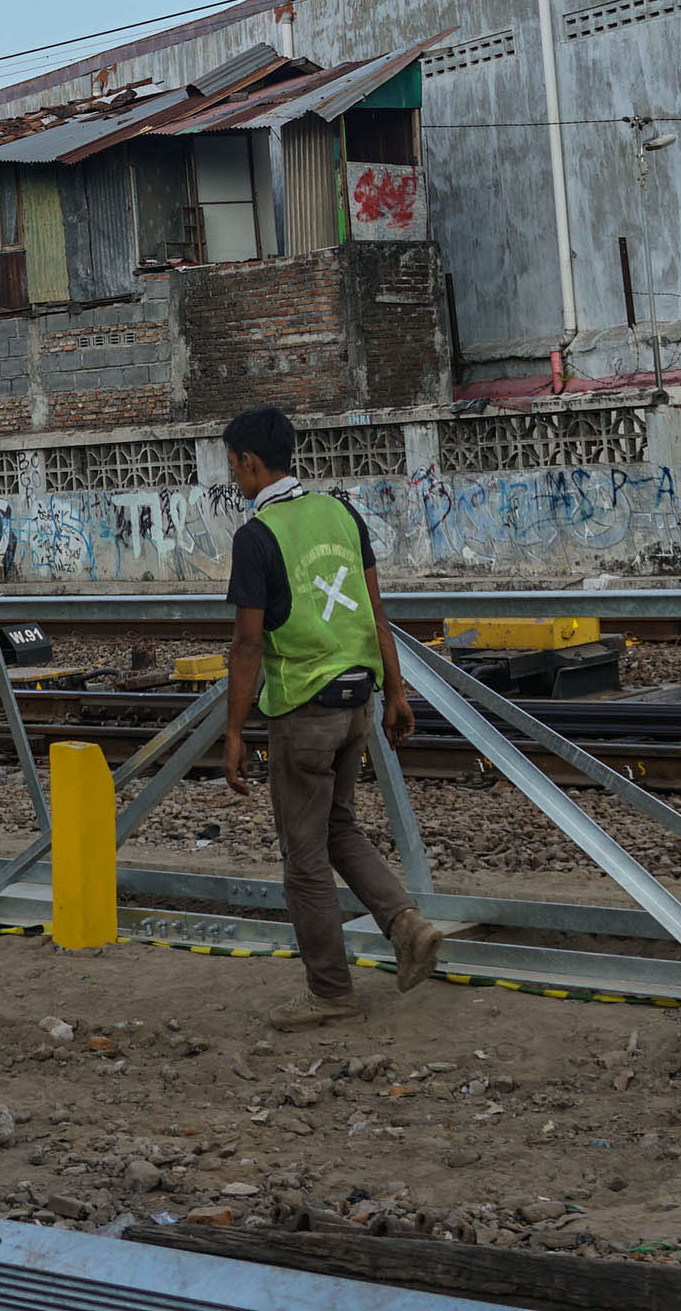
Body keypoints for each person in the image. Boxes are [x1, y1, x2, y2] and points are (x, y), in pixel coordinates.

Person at [217, 405, 445, 1028]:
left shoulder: (256, 537)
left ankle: (330, 991)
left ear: (251, 463)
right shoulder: (341, 512)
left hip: (303, 714)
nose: (233, 476)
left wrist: (234, 731)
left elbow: (247, 645)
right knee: (338, 828)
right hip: (357, 706)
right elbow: (376, 609)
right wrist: (396, 693)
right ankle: (407, 925)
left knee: (305, 857)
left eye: (233, 465)